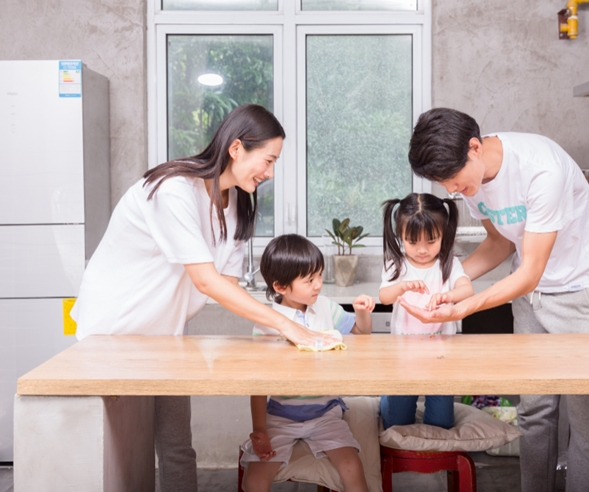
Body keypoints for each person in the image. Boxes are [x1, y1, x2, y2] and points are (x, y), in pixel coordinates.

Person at [70, 104, 337, 492]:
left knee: (178, 446)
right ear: (236, 148)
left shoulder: (239, 207)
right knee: (115, 454)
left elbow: (225, 284)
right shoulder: (173, 189)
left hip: (166, 334)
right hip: (112, 335)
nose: (270, 173)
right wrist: (286, 324)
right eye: (268, 160)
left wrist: (283, 325)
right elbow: (207, 281)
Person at [401, 108, 589, 492]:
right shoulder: (473, 180)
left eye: (452, 179)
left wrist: (465, 306)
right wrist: (451, 281)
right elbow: (500, 242)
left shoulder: (541, 170)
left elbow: (530, 268)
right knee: (534, 412)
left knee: (586, 422)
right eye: (443, 183)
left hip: (581, 294)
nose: (451, 190)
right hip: (531, 297)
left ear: (474, 147)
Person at [241, 234, 374, 492]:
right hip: (280, 417)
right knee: (255, 481)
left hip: (326, 413)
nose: (318, 285)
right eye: (309, 280)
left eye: (320, 276)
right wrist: (260, 429)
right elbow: (258, 381)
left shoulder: (325, 307)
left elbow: (360, 334)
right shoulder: (267, 322)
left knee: (352, 468)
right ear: (280, 286)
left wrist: (362, 313)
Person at [378, 193, 474, 430]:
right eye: (412, 242)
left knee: (441, 421)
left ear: (444, 235)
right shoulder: (396, 264)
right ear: (400, 236)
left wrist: (447, 296)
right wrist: (402, 286)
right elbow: (384, 297)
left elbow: (467, 289)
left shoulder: (448, 264)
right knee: (397, 421)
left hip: (442, 358)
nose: (422, 250)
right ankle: (385, 401)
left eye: (431, 241)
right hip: (403, 356)